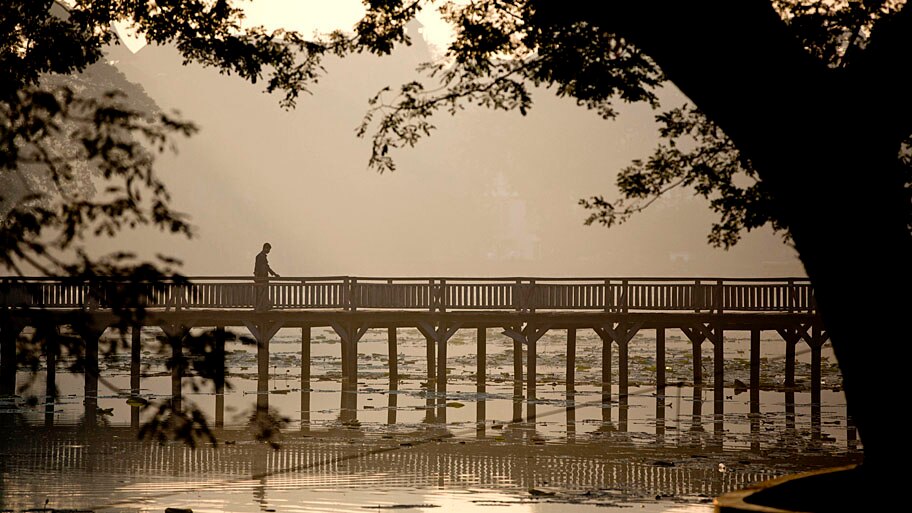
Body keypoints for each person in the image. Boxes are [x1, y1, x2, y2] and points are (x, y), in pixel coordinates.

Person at [254, 242, 279, 311]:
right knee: (262, 293)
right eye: (268, 249)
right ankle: (262, 306)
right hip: (261, 278)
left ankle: (263, 306)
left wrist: (274, 274)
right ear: (265, 248)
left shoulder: (260, 256)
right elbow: (263, 267)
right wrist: (274, 274)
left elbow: (266, 267)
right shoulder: (261, 256)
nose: (269, 251)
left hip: (261, 278)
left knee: (262, 293)